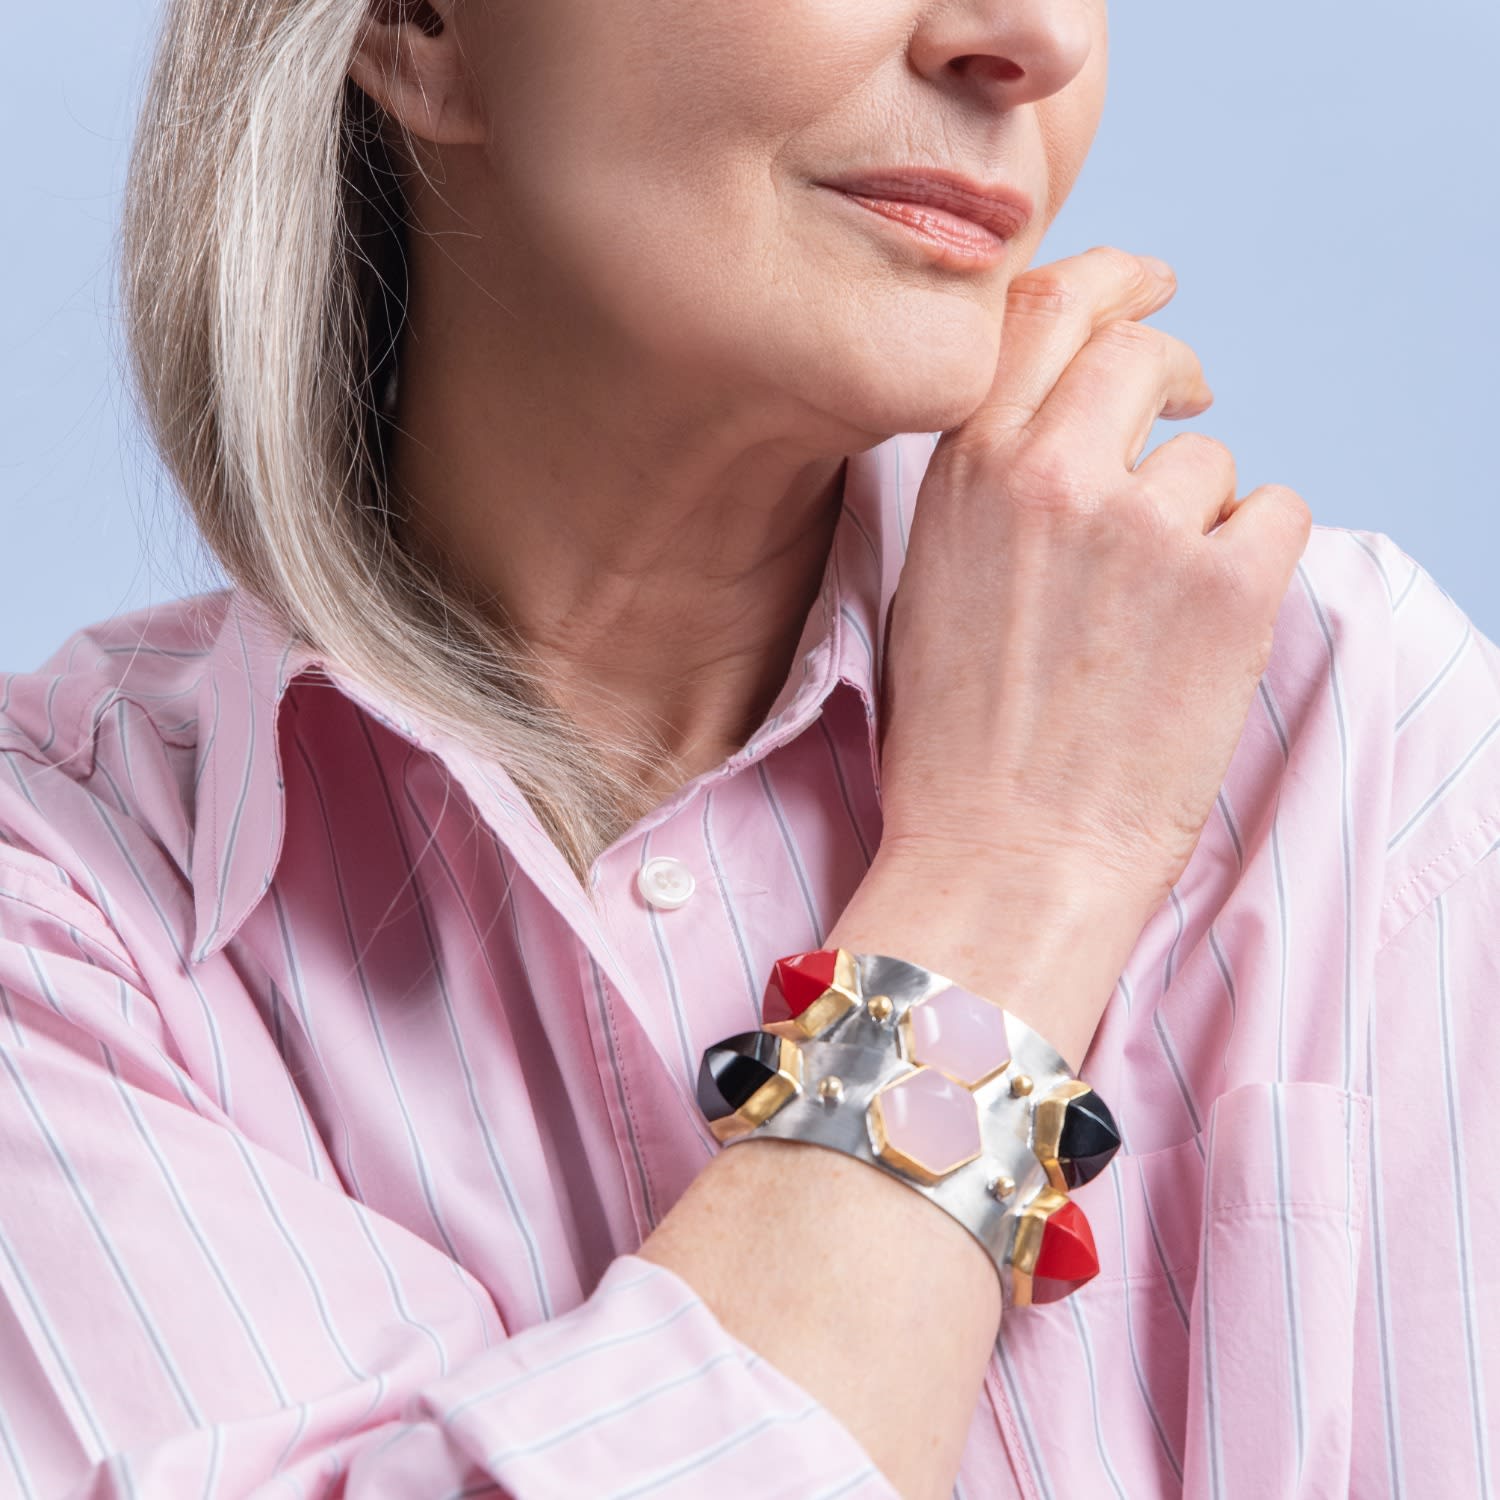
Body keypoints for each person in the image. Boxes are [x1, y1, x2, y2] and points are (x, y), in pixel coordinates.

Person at [1, 0, 1495, 1495]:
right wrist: (1011, 881)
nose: (1031, 38)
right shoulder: (55, 915)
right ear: (417, 23)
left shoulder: (1358, 741)